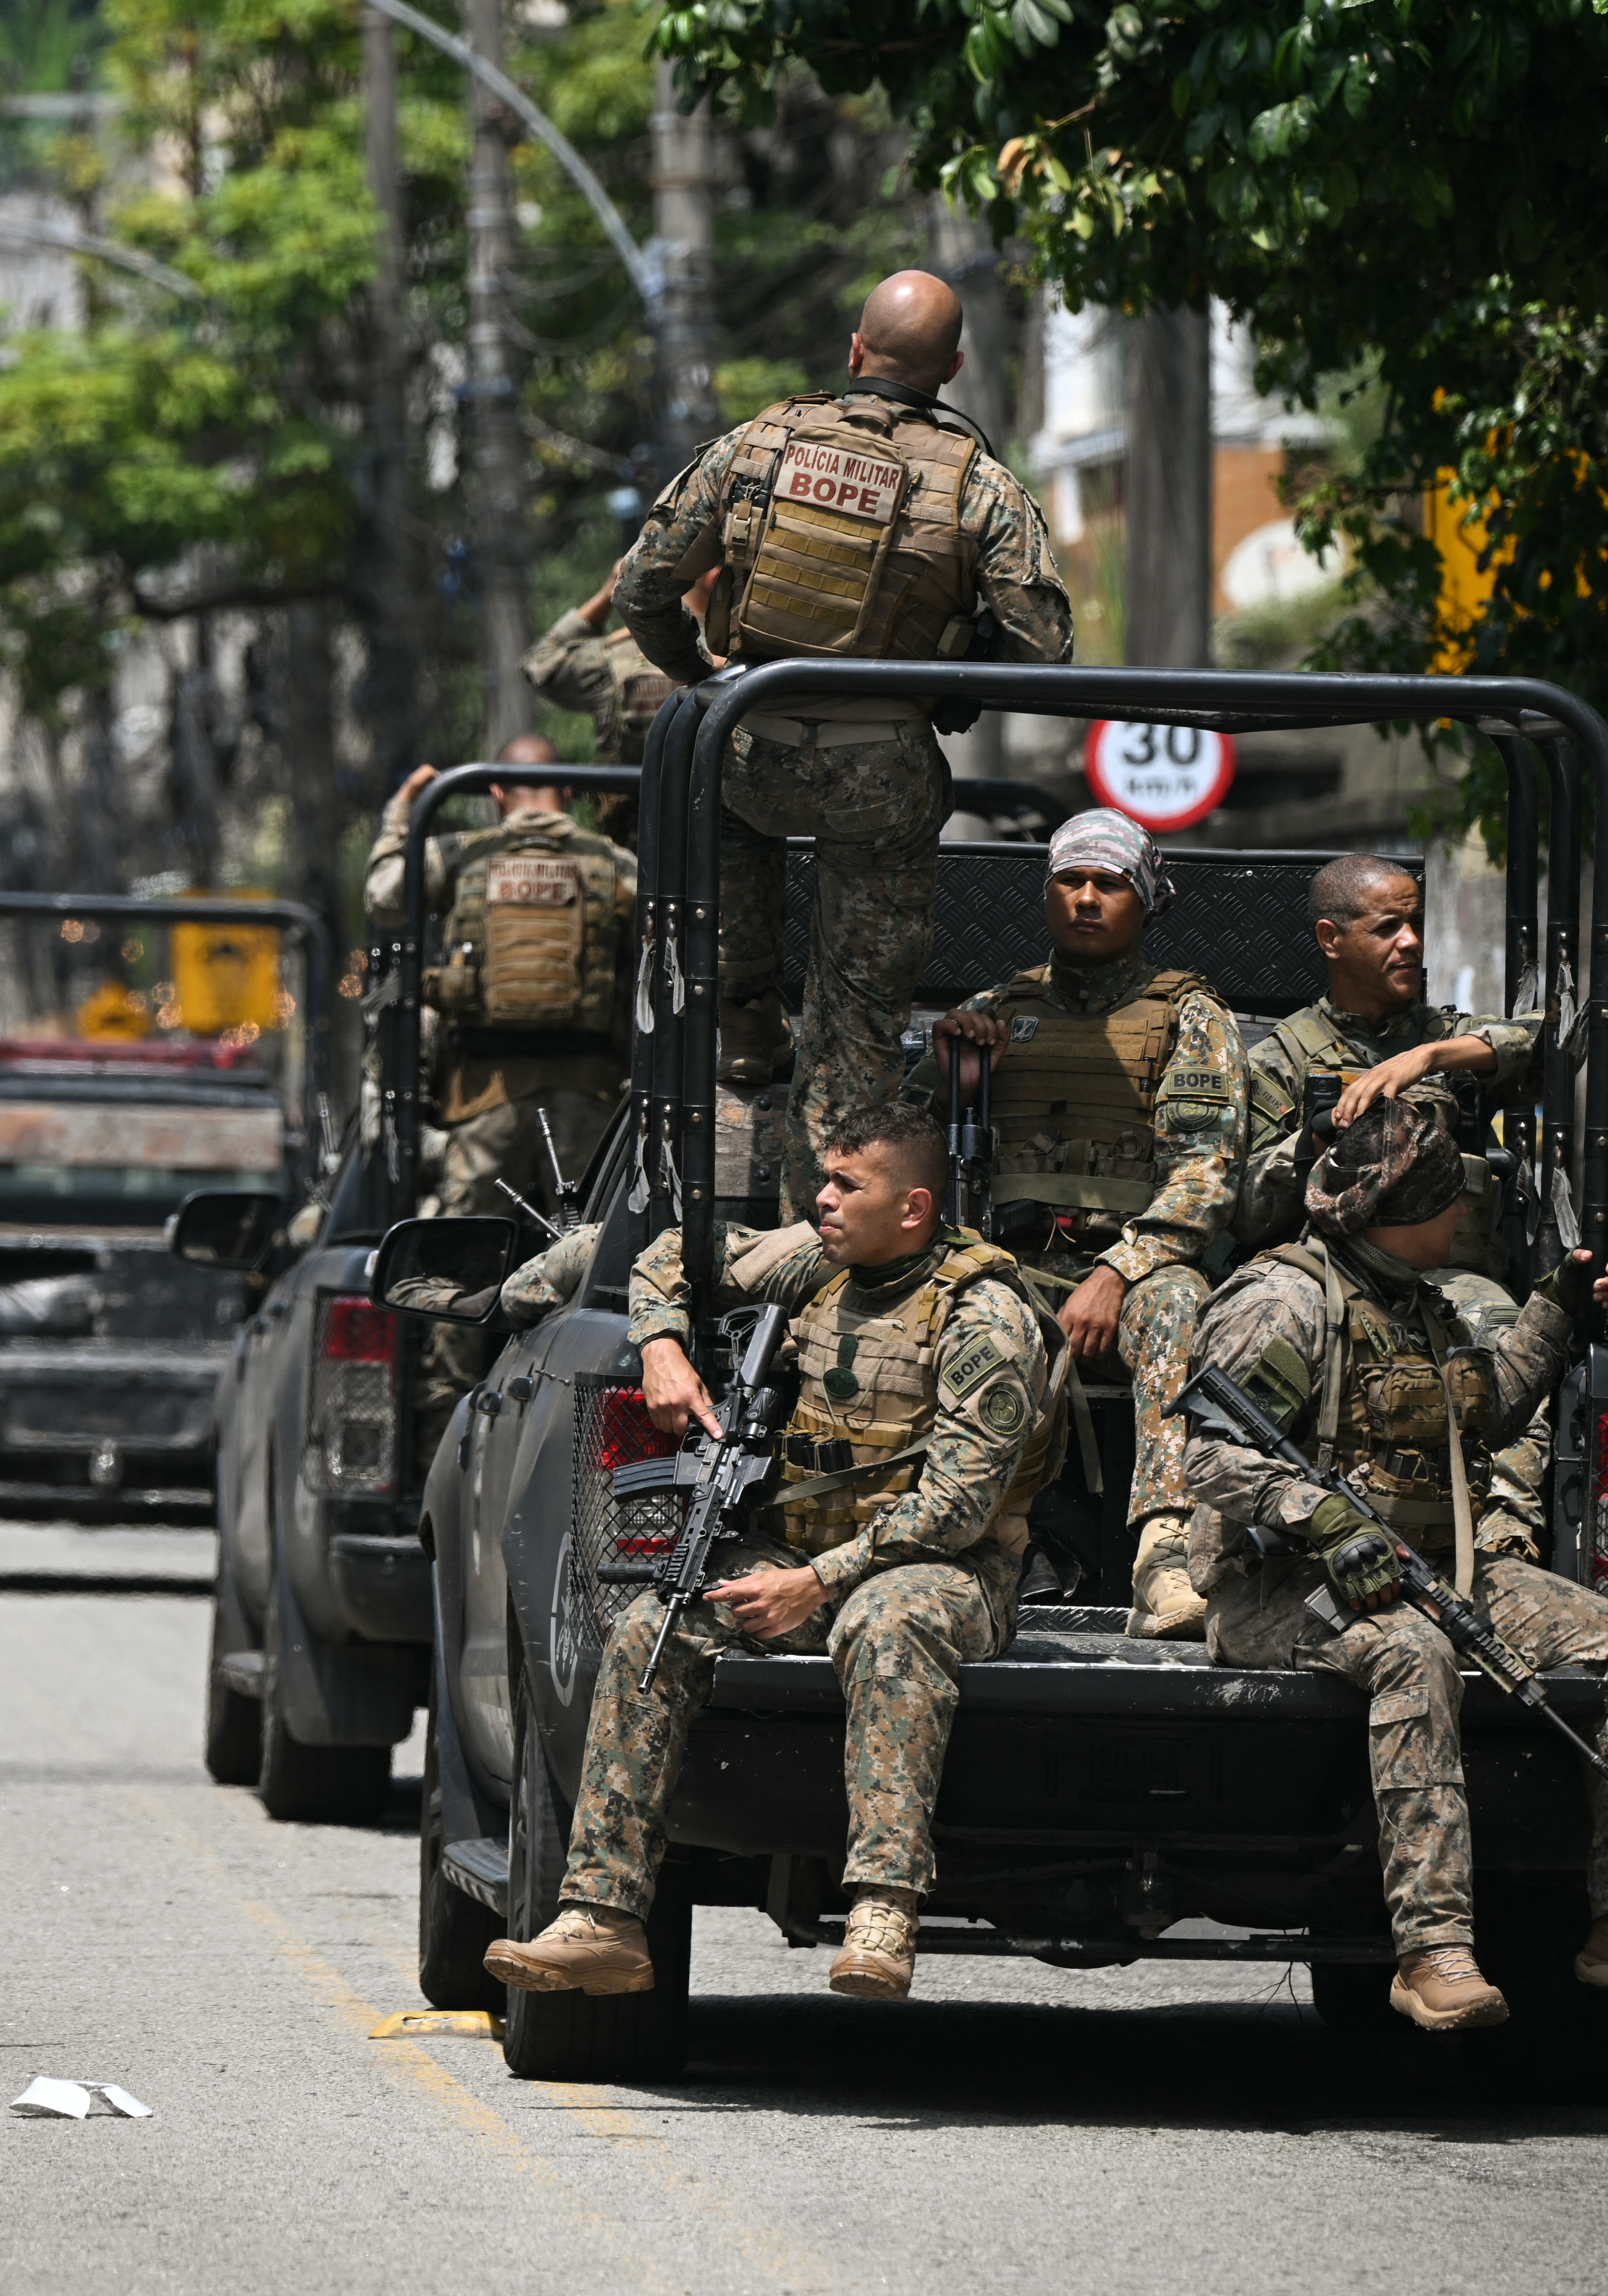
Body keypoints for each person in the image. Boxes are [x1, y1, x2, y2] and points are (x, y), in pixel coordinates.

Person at [1178, 1087, 1608, 2030]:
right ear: (1403, 1210)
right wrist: (1320, 1516)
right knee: (1415, 1654)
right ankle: (1432, 1946)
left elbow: (1486, 1407)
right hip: (1282, 1587)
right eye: (1450, 1196)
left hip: (1431, 1566)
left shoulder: (1417, 1305)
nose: (1465, 1212)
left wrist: (1557, 1308)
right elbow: (1209, 1454)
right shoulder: (1286, 1300)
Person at [484, 1101, 1063, 2005]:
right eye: (823, 1180)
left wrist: (816, 1581)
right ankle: (602, 1918)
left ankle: (882, 1906)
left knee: (889, 1620)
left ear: (912, 1207)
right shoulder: (816, 1266)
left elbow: (956, 1507)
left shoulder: (982, 1315)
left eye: (845, 1185)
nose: (821, 1201)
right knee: (651, 1623)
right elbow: (669, 1250)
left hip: (943, 1572)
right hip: (799, 1563)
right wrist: (662, 1346)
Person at [612, 269, 1074, 1214]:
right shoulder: (975, 484)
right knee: (856, 1019)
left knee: (719, 892)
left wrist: (703, 680)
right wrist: (954, 668)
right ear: (950, 369)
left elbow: (642, 588)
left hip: (741, 758)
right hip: (879, 777)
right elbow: (1047, 648)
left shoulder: (756, 447)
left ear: (855, 353)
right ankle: (821, 1223)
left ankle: (739, 1022)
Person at [914, 810, 1242, 1635]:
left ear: (1144, 899)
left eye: (1109, 883)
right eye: (1070, 880)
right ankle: (978, 1547)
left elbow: (1204, 1171)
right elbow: (889, 1158)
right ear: (1046, 891)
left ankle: (1163, 1557)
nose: (1087, 898)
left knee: (1177, 1302)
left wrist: (1116, 1271)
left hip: (1131, 1267)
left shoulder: (1187, 1014)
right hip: (1006, 1260)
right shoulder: (992, 1009)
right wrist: (953, 1082)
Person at [1238, 852, 1550, 1540]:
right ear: (1331, 939)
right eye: (1387, 927)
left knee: (1499, 1329)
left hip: (1443, 1279)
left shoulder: (1440, 1037)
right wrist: (1310, 1141)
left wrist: (1428, 1058)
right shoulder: (1280, 1060)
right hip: (1324, 1283)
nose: (1410, 941)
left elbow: (1546, 1042)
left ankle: (1499, 1532)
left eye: (1414, 924)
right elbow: (1244, 1210)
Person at [364, 735, 639, 1448]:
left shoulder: (460, 855)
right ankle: (566, 1413)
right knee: (585, 1252)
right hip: (588, 1097)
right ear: (569, 791)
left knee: (454, 1254)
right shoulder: (612, 864)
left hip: (481, 1100)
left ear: (496, 793)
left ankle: (444, 1430)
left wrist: (402, 814)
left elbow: (385, 900)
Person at [521, 566, 721, 765]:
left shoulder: (616, 656)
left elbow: (539, 664)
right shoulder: (739, 661)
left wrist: (608, 593)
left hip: (640, 795)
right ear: (716, 578)